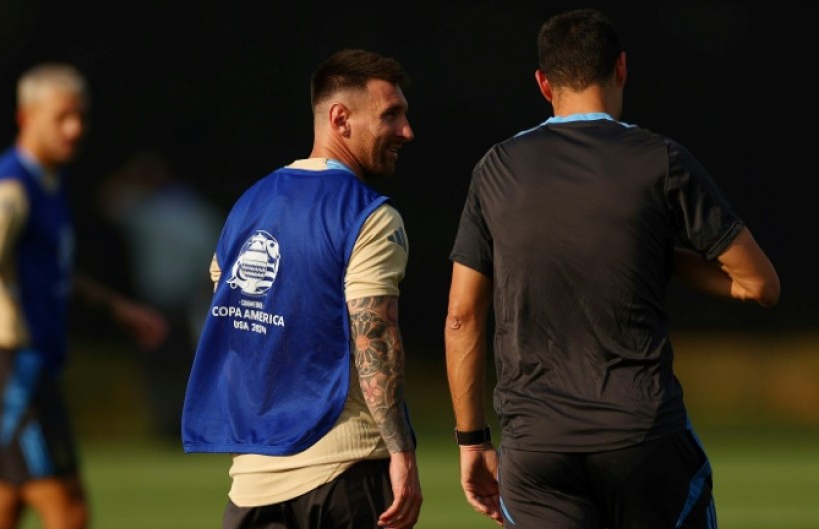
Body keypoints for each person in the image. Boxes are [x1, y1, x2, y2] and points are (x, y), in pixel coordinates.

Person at [444, 8, 780, 529]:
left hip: (536, 450)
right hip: (643, 440)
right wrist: (662, 256)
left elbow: (462, 316)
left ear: (542, 83)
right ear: (621, 67)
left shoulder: (496, 168)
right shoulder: (661, 160)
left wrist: (472, 441)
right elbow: (760, 284)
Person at [0, 62, 167, 529]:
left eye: (81, 117)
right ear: (25, 117)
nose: (75, 129)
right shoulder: (8, 191)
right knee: (68, 512)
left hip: (26, 369)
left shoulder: (47, 183)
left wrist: (118, 309)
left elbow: (56, 272)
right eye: (61, 117)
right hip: (12, 370)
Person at [180, 48, 422, 529]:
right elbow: (374, 337)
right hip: (346, 472)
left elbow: (232, 314)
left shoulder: (249, 205)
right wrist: (401, 450)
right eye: (391, 115)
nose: (406, 131)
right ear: (340, 119)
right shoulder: (368, 215)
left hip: (251, 481)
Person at [98, 149, 223, 439]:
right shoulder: (156, 209)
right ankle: (171, 429)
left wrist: (134, 176)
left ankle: (184, 429)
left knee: (182, 369)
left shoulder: (172, 211)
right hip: (161, 302)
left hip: (184, 301)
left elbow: (108, 197)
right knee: (166, 369)